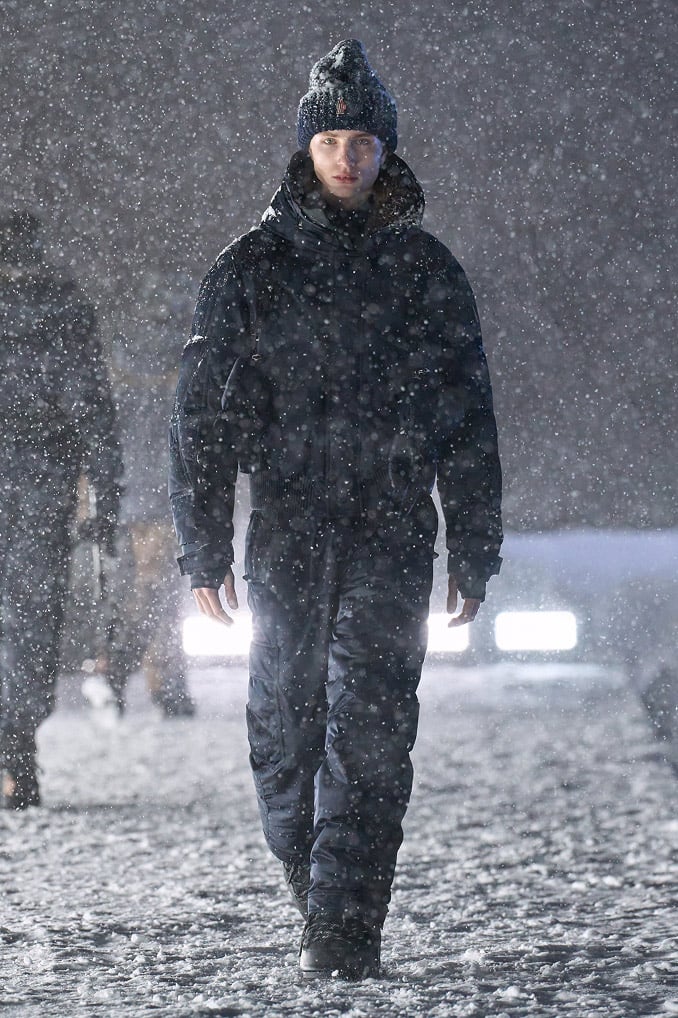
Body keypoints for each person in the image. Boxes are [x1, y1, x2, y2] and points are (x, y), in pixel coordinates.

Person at [169, 40, 503, 979]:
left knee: (372, 724)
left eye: (362, 141)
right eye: (330, 141)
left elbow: (469, 418)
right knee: (285, 726)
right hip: (287, 525)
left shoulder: (427, 271)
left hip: (393, 525)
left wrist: (473, 546)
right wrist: (204, 546)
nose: (347, 158)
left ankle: (346, 923)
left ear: (386, 150)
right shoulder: (251, 268)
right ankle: (314, 882)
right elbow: (200, 417)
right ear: (306, 149)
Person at [0, 209, 122, 809]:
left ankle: (15, 745)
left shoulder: (61, 307)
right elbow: (90, 399)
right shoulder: (63, 306)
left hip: (37, 473)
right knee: (32, 614)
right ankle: (17, 745)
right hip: (40, 475)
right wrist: (106, 487)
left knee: (29, 613)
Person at [95, 304, 196, 718]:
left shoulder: (118, 371)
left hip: (128, 495)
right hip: (159, 495)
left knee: (143, 592)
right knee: (157, 592)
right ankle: (135, 673)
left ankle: (131, 672)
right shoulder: (180, 369)